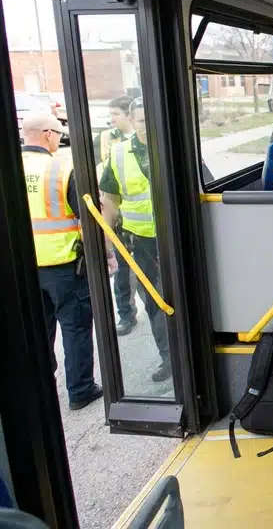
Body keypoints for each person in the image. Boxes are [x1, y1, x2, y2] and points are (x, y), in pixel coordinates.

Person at [21, 112, 105, 410]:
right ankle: (80, 390)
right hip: (63, 266)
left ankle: (40, 390)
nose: (60, 138)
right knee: (75, 327)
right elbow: (89, 218)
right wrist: (105, 255)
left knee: (37, 331)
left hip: (23, 269)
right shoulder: (61, 168)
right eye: (59, 133)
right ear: (47, 134)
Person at [100, 99, 172, 383]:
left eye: (152, 120)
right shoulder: (118, 155)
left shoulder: (174, 146)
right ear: (131, 120)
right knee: (154, 301)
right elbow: (110, 203)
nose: (147, 126)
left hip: (177, 238)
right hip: (141, 242)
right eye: (142, 121)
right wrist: (107, 246)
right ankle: (168, 357)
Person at [94, 96, 138, 336]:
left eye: (115, 114)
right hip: (116, 212)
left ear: (129, 115)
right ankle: (126, 314)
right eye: (109, 114)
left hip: (139, 219)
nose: (111, 119)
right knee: (121, 272)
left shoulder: (144, 138)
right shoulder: (104, 139)